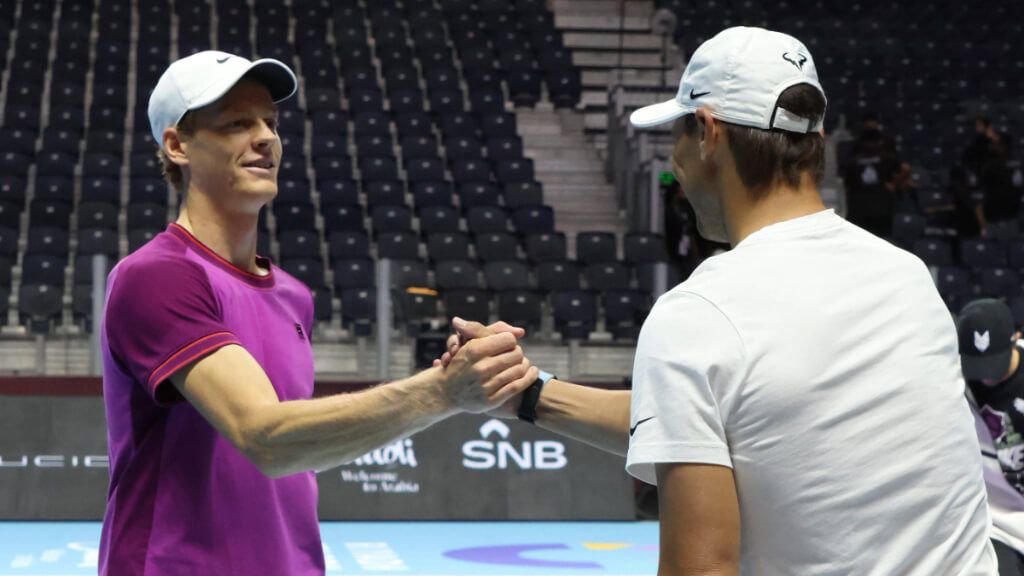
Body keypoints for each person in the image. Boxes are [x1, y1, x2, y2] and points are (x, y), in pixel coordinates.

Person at [440, 27, 997, 575]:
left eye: (676, 136)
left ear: (707, 132)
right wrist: (529, 393)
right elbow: (741, 421)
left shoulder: (698, 314)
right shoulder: (908, 278)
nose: (675, 162)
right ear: (815, 140)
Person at [98, 51, 536, 575]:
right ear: (177, 145)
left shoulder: (292, 294)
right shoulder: (159, 276)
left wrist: (453, 376)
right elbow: (266, 437)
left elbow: (302, 449)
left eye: (270, 122)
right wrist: (441, 391)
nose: (265, 138)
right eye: (238, 123)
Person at [957, 299, 1024, 575]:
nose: (985, 378)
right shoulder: (957, 383)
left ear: (1015, 339)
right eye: (977, 367)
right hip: (998, 525)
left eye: (994, 365)